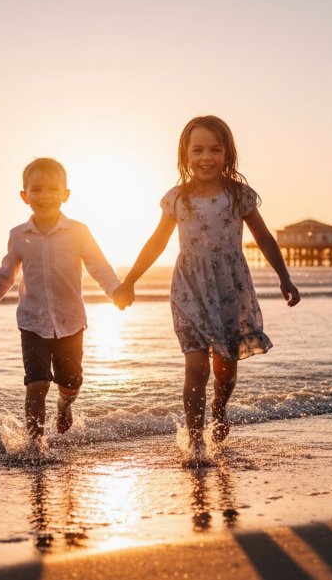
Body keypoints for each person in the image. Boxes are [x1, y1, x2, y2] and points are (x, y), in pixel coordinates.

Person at [113, 116, 301, 454]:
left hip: (231, 289)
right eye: (197, 150)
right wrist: (129, 281)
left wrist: (284, 278)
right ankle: (195, 442)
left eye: (215, 149)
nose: (206, 157)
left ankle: (220, 406)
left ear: (228, 153)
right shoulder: (177, 199)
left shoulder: (238, 195)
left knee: (225, 370)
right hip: (189, 289)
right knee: (196, 366)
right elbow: (155, 243)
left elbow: (264, 238)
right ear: (185, 155)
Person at [0, 158, 131, 440]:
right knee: (36, 384)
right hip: (32, 323)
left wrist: (115, 291)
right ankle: (34, 448)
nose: (45, 196)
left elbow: (98, 266)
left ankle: (64, 406)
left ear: (65, 194)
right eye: (36, 189)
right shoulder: (18, 235)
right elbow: (5, 275)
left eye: (53, 189)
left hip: (70, 322)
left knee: (71, 382)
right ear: (25, 196)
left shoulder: (79, 232)